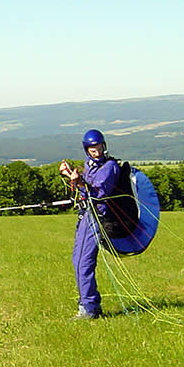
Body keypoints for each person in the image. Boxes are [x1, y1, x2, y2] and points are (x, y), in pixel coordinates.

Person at [59, 129, 120, 320]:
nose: (97, 151)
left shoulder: (109, 167)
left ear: (104, 145)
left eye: (99, 147)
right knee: (77, 260)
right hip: (86, 215)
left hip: (97, 217)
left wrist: (78, 182)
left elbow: (98, 193)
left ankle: (89, 308)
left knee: (83, 262)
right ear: (87, 150)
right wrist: (70, 175)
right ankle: (87, 303)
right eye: (93, 148)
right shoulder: (89, 165)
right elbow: (85, 187)